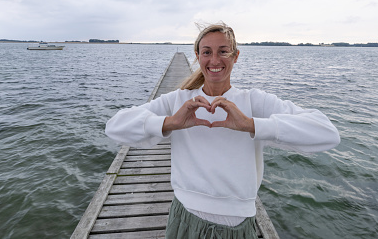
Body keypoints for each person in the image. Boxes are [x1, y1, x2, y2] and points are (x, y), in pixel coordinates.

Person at [105, 22, 340, 238]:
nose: (214, 59)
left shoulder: (254, 101)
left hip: (237, 225)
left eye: (223, 51)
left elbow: (327, 132)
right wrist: (170, 123)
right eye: (206, 52)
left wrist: (251, 124)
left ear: (236, 56)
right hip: (185, 217)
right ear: (197, 56)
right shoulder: (178, 100)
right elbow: (115, 126)